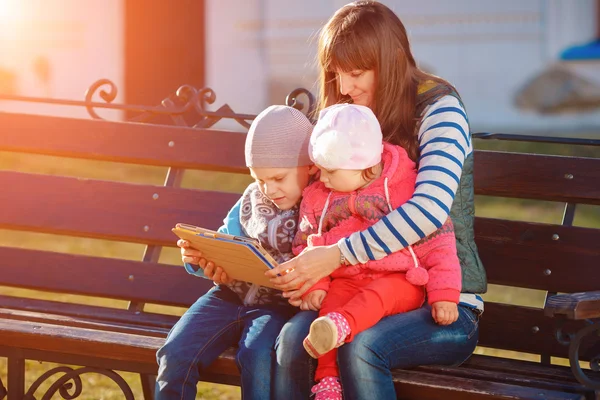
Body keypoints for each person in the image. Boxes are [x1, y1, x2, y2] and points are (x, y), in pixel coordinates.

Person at [267, 2, 487, 399]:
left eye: (356, 73)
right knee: (292, 342)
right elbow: (310, 201)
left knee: (361, 345)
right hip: (351, 291)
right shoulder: (348, 116)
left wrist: (336, 255)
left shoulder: (440, 111)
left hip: (440, 301)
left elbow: (429, 211)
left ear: (391, 62)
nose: (345, 86)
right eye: (337, 73)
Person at [293, 103, 462, 399]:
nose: (322, 178)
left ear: (367, 169)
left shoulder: (404, 188)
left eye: (330, 171)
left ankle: (344, 324)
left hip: (401, 280)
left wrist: (444, 294)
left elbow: (440, 244)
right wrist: (317, 284)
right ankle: (328, 381)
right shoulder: (320, 197)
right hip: (347, 280)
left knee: (377, 296)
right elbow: (308, 244)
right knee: (329, 311)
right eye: (320, 169)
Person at [154, 105, 317, 400]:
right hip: (228, 296)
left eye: (278, 178)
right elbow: (227, 240)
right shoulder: (250, 199)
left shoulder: (317, 205)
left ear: (310, 166)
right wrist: (203, 261)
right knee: (175, 352)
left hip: (277, 308)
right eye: (260, 179)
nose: (269, 189)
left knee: (257, 357)